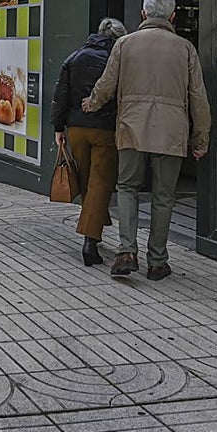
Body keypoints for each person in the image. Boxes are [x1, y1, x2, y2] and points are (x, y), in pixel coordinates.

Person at [83, 0, 210, 281]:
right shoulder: (185, 48)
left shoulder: (124, 44)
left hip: (132, 127)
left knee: (127, 187)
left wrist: (92, 102)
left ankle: (126, 251)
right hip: (172, 131)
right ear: (173, 18)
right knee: (164, 196)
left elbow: (107, 83)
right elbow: (198, 98)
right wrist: (200, 138)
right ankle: (157, 262)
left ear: (143, 15)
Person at [52, 18, 127, 267]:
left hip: (76, 129)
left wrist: (58, 127)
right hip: (105, 130)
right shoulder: (117, 60)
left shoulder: (75, 57)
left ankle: (96, 221)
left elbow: (60, 94)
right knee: (100, 184)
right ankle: (90, 241)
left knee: (87, 180)